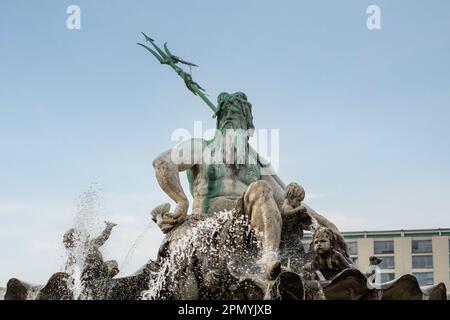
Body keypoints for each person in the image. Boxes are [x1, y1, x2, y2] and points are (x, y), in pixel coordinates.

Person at [152, 92, 340, 280]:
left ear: (248, 130)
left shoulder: (256, 163)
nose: (234, 130)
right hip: (205, 221)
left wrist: (328, 225)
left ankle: (268, 258)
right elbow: (163, 162)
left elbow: (285, 201)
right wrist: (180, 201)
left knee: (261, 187)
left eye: (240, 125)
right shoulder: (201, 148)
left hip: (242, 228)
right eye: (229, 123)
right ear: (219, 125)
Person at [279, 182, 312, 272]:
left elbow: (304, 223)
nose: (299, 203)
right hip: (287, 242)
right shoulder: (287, 207)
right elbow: (286, 213)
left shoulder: (293, 209)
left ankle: (300, 273)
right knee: (285, 260)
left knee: (299, 261)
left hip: (295, 241)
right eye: (298, 200)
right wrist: (299, 209)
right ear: (290, 197)